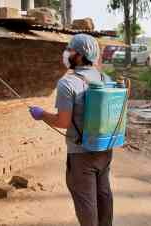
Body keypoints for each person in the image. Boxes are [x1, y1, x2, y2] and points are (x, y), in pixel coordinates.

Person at [29, 34, 114, 226]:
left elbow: (63, 121)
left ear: (80, 55)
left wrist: (41, 114)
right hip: (105, 149)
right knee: (103, 194)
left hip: (81, 154)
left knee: (86, 202)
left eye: (70, 50)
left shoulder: (67, 83)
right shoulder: (105, 77)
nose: (67, 53)